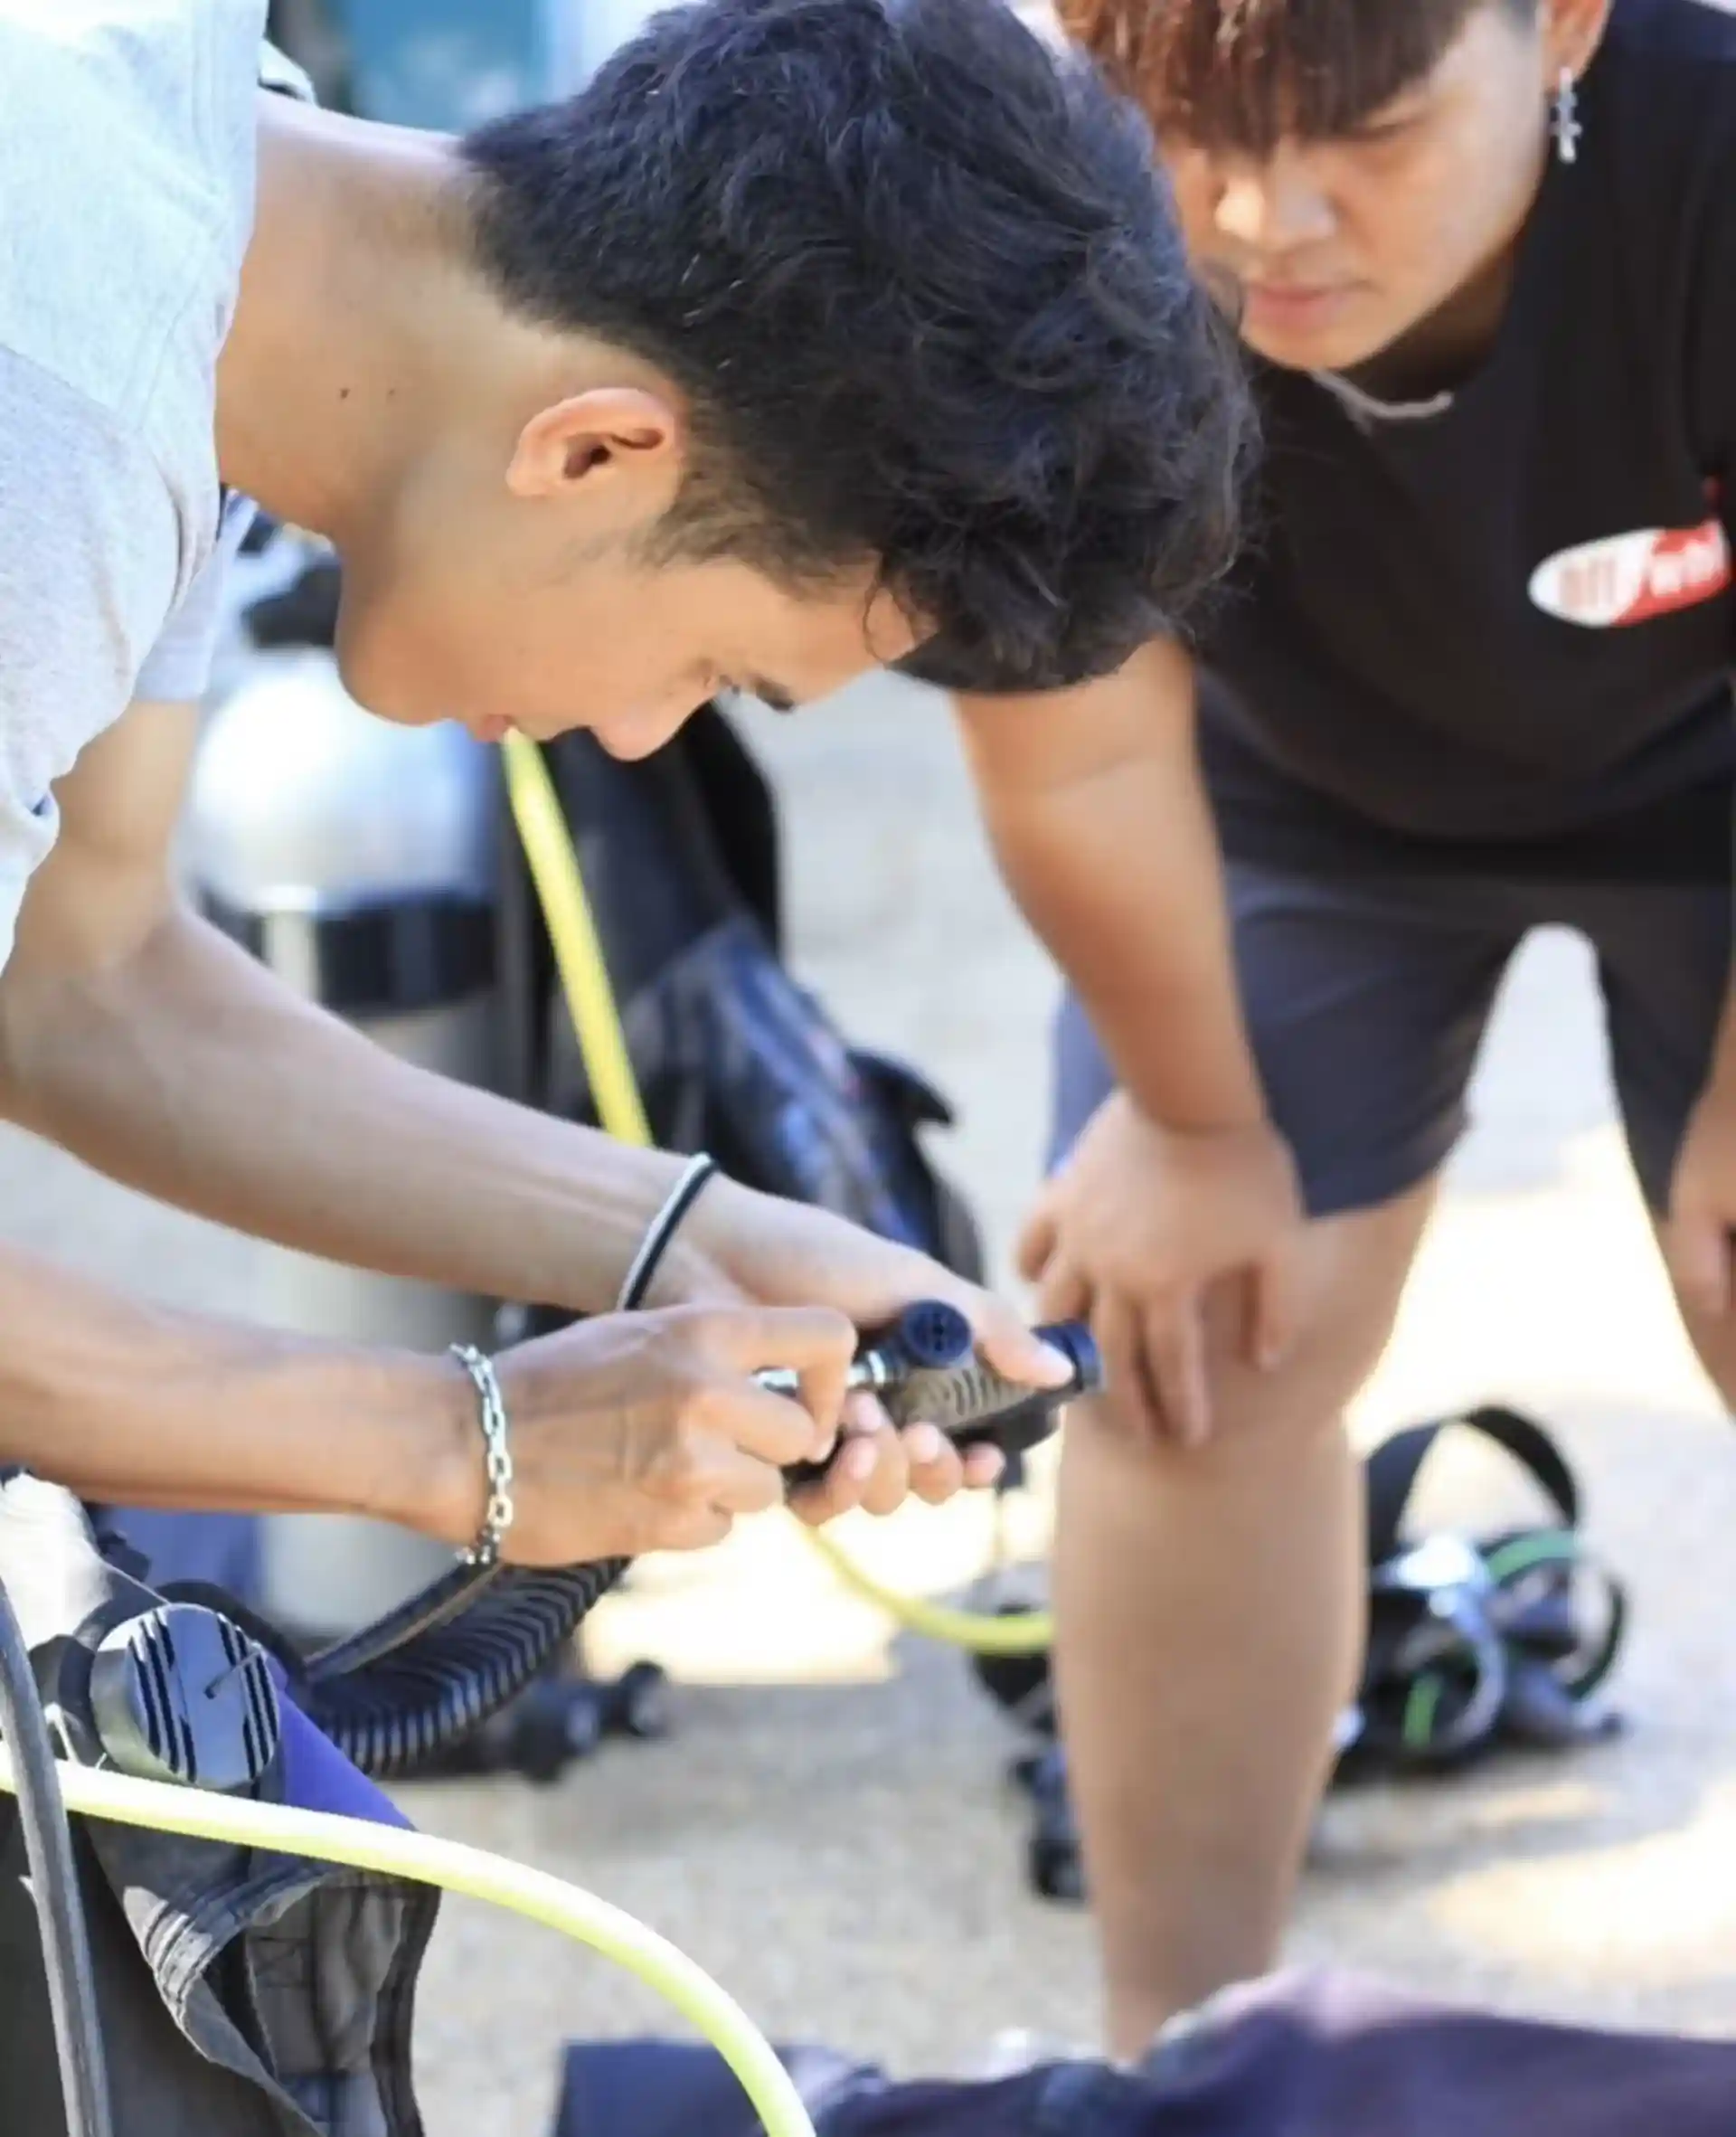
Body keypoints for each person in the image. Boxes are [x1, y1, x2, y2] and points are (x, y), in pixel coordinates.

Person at [0, 0, 1248, 1570]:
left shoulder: (195, 192)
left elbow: (78, 977)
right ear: (595, 454)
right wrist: (462, 1439)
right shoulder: (59, 406)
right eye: (714, 669)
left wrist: (687, 1238)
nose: (646, 737)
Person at [945, 0, 1736, 2061]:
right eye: (1192, 129)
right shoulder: (1025, 193)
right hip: (1286, 788)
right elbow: (1073, 755)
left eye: (1364, 131)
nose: (1260, 215)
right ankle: (1185, 2055)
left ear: (1565, 23)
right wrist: (1192, 1122)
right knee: (1188, 1342)